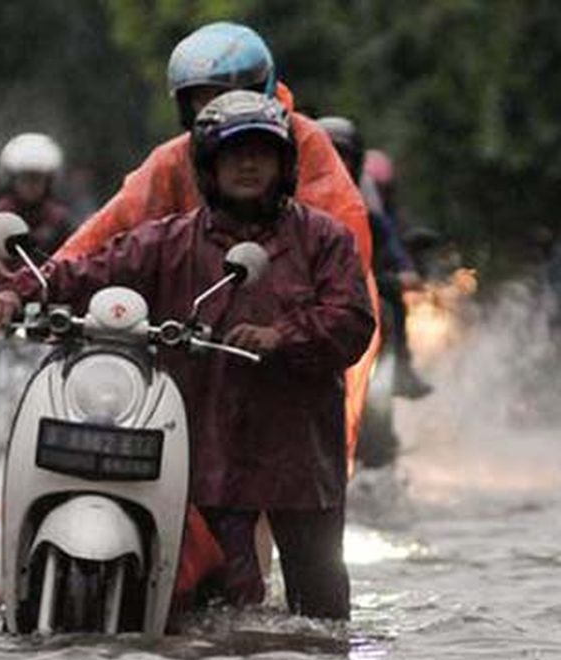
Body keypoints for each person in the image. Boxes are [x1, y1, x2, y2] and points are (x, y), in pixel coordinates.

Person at [0, 91, 375, 619]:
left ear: (285, 164)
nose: (249, 164)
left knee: (321, 608)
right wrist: (20, 291)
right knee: (212, 609)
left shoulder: (324, 238)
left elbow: (352, 321)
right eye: (235, 154)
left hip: (299, 455)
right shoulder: (170, 240)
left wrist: (282, 335)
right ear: (209, 166)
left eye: (262, 152)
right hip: (208, 453)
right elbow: (90, 270)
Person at [54, 21, 380, 465]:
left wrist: (280, 326)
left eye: (260, 156)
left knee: (302, 475)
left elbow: (345, 254)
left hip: (297, 346)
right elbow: (105, 236)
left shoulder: (308, 157)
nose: (245, 164)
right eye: (202, 98)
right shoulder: (173, 161)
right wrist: (31, 285)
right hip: (201, 340)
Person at [319, 116, 431, 398]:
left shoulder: (365, 202)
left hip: (360, 286)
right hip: (311, 294)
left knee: (390, 305)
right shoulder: (293, 199)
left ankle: (402, 370)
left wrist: (405, 269)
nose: (336, 162)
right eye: (328, 153)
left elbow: (389, 239)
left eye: (343, 155)